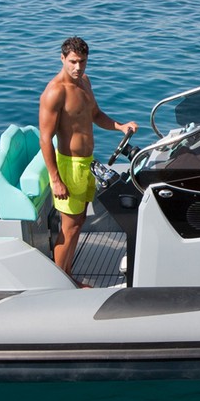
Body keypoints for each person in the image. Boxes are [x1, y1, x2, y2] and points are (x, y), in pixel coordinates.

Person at [38, 36, 137, 281]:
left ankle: (68, 275)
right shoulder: (55, 92)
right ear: (62, 58)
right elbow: (45, 139)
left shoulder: (84, 82)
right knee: (69, 228)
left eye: (82, 61)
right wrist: (56, 180)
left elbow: (95, 114)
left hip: (87, 163)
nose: (77, 67)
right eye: (72, 61)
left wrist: (119, 126)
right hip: (69, 167)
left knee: (79, 221)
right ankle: (60, 283)